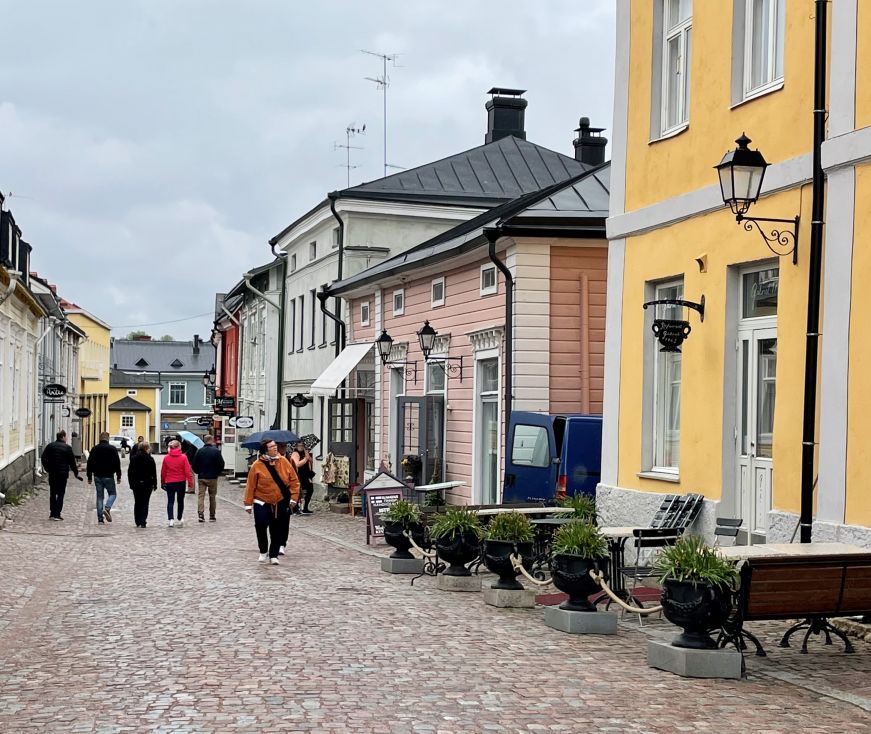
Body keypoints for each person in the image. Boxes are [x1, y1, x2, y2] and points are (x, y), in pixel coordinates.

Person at [244, 440, 299, 565]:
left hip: (279, 500)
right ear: (265, 450)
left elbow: (294, 481)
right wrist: (248, 503)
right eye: (272, 447)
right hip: (261, 500)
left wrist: (293, 498)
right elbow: (250, 485)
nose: (275, 448)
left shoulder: (284, 462)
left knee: (276, 528)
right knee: (261, 524)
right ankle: (263, 551)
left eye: (275, 446)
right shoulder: (257, 465)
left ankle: (274, 554)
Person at [40, 429, 83, 520]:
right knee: (61, 493)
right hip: (63, 474)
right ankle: (57, 514)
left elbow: (43, 457)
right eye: (66, 436)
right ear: (63, 437)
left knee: (52, 493)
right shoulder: (67, 448)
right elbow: (72, 462)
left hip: (52, 473)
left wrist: (47, 468)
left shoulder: (50, 446)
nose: (66, 438)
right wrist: (76, 473)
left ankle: (52, 513)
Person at [87, 432, 122, 525]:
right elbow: (117, 463)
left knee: (99, 497)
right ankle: (107, 507)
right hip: (109, 475)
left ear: (100, 438)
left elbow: (89, 463)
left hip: (97, 476)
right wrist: (118, 476)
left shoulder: (94, 449)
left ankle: (100, 519)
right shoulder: (112, 449)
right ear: (108, 439)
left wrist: (89, 476)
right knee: (113, 494)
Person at [273, 442, 300, 556]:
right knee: (273, 520)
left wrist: (295, 497)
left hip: (286, 495)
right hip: (273, 495)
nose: (282, 449)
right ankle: (275, 541)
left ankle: (282, 544)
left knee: (284, 520)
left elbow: (295, 480)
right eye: (280, 447)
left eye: (284, 447)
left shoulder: (290, 461)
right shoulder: (270, 461)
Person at [191, 435, 225, 523]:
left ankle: (201, 514)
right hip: (213, 477)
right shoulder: (216, 451)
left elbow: (194, 464)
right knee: (212, 497)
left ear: (204, 441)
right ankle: (212, 515)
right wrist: (217, 473)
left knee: (201, 496)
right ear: (212, 440)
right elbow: (221, 464)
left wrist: (198, 472)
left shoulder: (199, 451)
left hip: (202, 477)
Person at [161, 439, 193, 527]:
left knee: (170, 501)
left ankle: (171, 519)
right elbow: (187, 471)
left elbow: (163, 471)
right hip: (181, 482)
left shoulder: (166, 458)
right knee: (180, 501)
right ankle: (180, 517)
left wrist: (162, 482)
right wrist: (190, 483)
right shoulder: (183, 457)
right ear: (179, 447)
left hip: (170, 482)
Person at [128, 441, 157, 528]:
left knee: (137, 502)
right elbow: (153, 473)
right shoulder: (150, 459)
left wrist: (131, 483)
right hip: (147, 483)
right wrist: (155, 484)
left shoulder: (133, 458)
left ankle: (137, 521)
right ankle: (143, 521)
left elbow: (130, 472)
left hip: (136, 483)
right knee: (145, 502)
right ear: (147, 448)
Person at [291, 440, 315, 515]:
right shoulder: (295, 453)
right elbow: (297, 464)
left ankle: (305, 507)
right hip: (298, 475)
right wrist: (305, 459)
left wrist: (307, 455)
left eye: (302, 446)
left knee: (310, 489)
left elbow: (310, 461)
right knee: (298, 491)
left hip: (306, 475)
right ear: (296, 446)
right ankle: (295, 508)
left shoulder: (305, 452)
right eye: (299, 446)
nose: (301, 447)